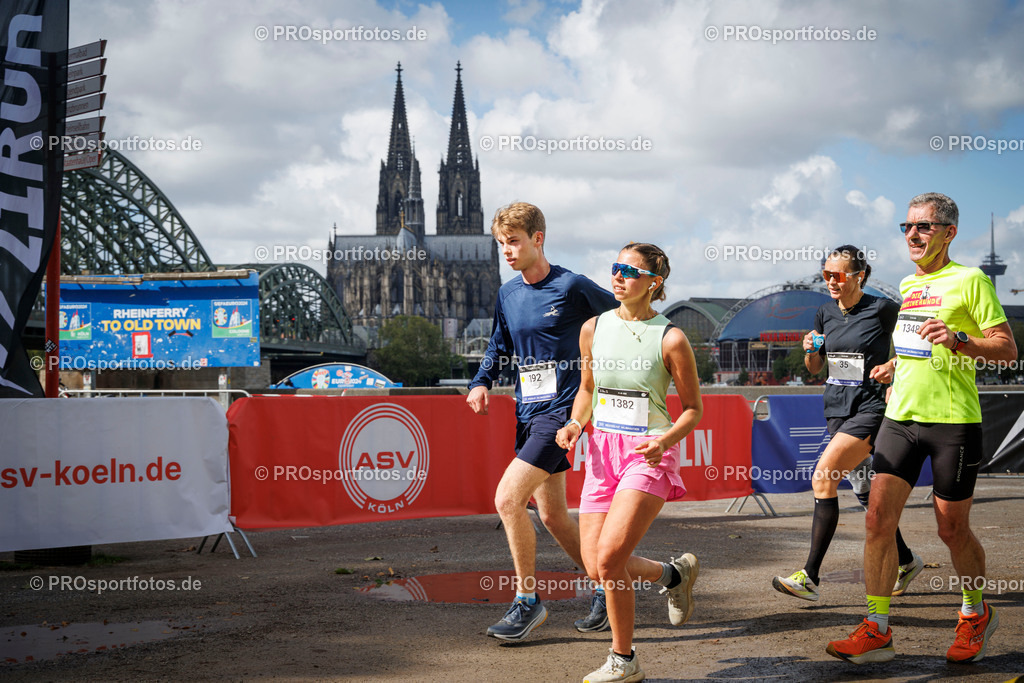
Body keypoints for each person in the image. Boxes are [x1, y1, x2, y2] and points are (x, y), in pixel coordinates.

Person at [827, 193, 1015, 664]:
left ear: (949, 233)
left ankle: (975, 613)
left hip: (953, 422)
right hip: (900, 418)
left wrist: (960, 339)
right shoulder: (909, 285)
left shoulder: (971, 280)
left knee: (952, 529)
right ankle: (877, 629)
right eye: (907, 226)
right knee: (877, 521)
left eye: (924, 226)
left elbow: (1006, 349)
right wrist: (895, 365)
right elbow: (917, 346)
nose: (913, 234)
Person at [468, 202, 618, 641]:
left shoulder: (572, 287)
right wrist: (481, 381)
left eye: (513, 241)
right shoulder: (507, 294)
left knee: (507, 500)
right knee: (553, 516)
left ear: (538, 239)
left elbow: (624, 318)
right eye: (501, 243)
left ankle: (527, 601)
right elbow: (498, 344)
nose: (506, 251)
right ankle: (622, 585)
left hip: (562, 414)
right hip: (527, 413)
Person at [556, 243, 701, 683]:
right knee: (596, 566)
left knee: (609, 558)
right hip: (603, 452)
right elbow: (587, 389)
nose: (618, 276)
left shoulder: (671, 338)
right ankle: (673, 575)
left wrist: (665, 441)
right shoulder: (593, 328)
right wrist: (575, 424)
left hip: (648, 452)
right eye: (615, 268)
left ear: (654, 283)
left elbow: (693, 409)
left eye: (629, 271)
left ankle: (624, 659)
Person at [772, 246, 922, 602]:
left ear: (859, 276)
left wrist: (894, 365)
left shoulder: (883, 309)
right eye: (826, 275)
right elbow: (815, 368)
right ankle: (906, 561)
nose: (830, 281)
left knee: (823, 477)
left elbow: (916, 342)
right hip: (836, 408)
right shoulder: (824, 312)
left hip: (870, 407)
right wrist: (810, 349)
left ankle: (810, 576)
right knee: (866, 490)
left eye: (837, 275)